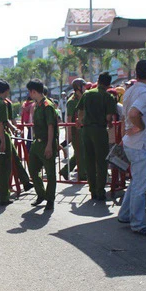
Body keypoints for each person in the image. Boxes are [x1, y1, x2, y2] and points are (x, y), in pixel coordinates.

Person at [117, 60, 146, 236]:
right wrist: (140, 126)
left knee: (136, 182)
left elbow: (128, 115)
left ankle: (126, 215)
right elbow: (134, 114)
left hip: (133, 143)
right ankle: (138, 223)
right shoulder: (144, 93)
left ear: (136, 74)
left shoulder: (130, 91)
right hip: (140, 143)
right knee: (139, 186)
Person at [76, 71, 117, 201]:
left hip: (86, 130)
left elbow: (80, 112)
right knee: (101, 162)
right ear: (109, 84)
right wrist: (109, 123)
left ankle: (92, 190)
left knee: (89, 160)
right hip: (100, 130)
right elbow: (108, 117)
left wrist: (80, 122)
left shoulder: (87, 94)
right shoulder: (108, 97)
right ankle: (100, 191)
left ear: (98, 81)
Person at [26, 79, 57, 211]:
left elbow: (51, 127)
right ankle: (41, 194)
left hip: (46, 142)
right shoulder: (37, 105)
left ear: (34, 91)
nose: (29, 94)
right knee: (32, 169)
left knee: (50, 173)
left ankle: (50, 199)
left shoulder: (47, 105)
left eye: (30, 92)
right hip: (36, 143)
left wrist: (49, 145)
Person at [60, 78, 87, 181]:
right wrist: (69, 134)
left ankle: (64, 170)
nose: (85, 88)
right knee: (80, 154)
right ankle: (82, 175)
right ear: (78, 88)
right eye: (83, 86)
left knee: (79, 153)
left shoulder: (84, 98)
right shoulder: (72, 101)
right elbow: (69, 118)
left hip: (83, 130)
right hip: (76, 131)